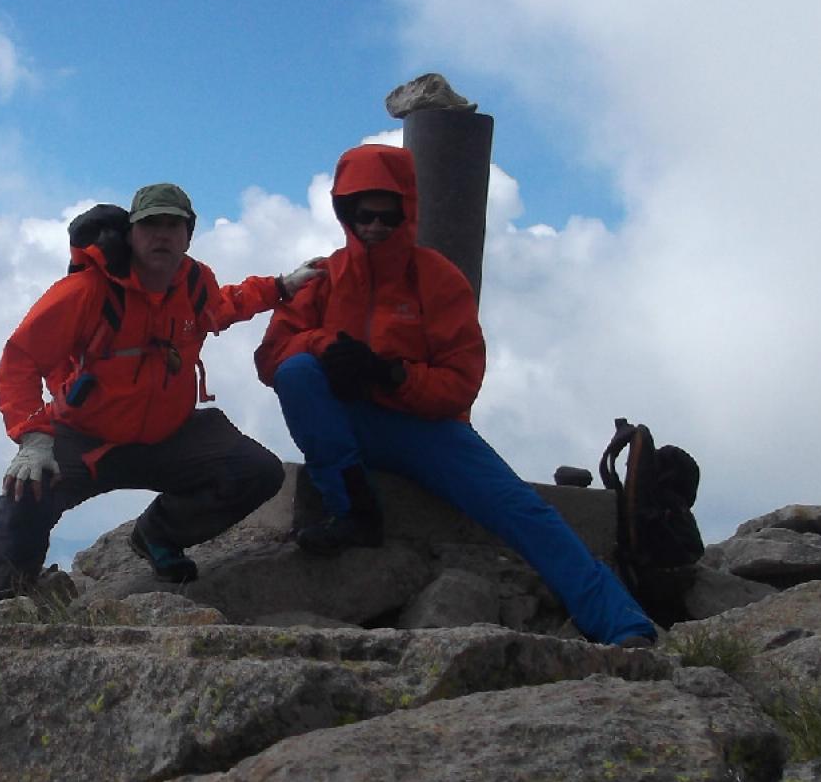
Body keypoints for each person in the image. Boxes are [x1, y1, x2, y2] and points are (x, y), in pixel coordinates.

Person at [254, 142, 657, 647]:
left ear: (407, 210)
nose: (375, 226)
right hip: (348, 426)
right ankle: (353, 511)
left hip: (425, 428)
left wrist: (390, 374)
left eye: (387, 214)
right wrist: (326, 345)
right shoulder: (321, 278)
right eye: (362, 214)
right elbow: (270, 360)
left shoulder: (438, 279)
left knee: (521, 509)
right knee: (298, 374)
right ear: (344, 212)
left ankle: (625, 627)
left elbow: (460, 383)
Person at [0, 182, 323, 599]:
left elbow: (223, 305)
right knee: (26, 492)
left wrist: (281, 287)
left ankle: (158, 535)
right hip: (88, 440)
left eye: (173, 225)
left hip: (170, 434)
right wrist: (33, 438)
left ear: (188, 234)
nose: (161, 235)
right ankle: (2, 606)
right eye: (150, 225)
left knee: (257, 471)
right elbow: (20, 358)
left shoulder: (195, 284)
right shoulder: (87, 291)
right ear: (130, 233)